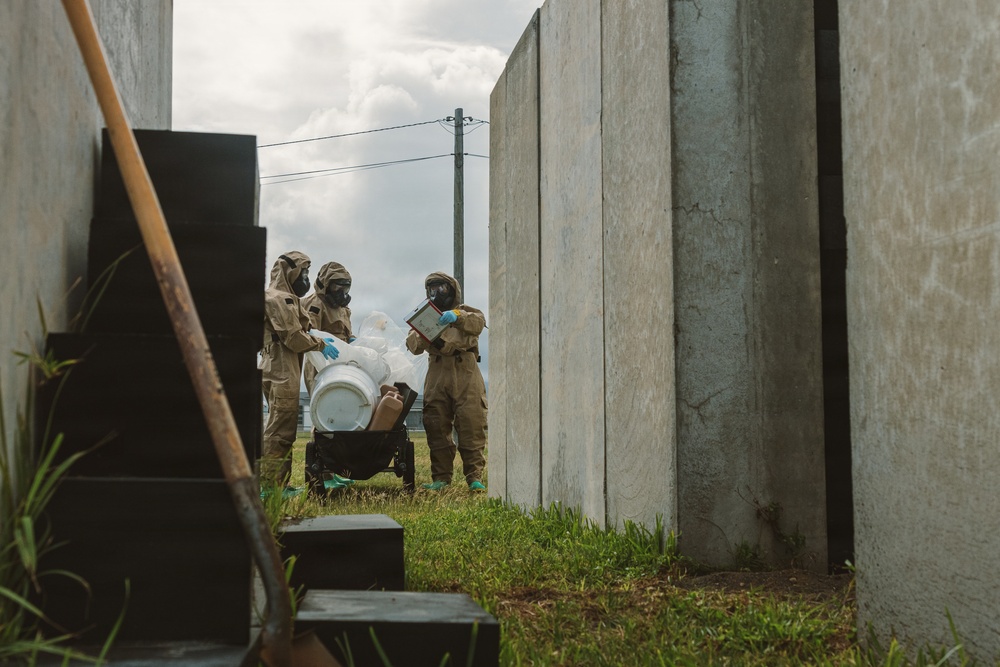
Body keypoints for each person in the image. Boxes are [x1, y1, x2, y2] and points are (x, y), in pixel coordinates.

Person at [259, 251, 339, 489]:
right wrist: (319, 344)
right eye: (303, 272)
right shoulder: (280, 299)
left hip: (278, 365)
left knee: (282, 426)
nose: (305, 278)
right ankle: (272, 486)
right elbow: (293, 338)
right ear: (289, 272)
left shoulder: (285, 298)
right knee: (280, 430)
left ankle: (278, 482)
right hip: (282, 368)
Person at [405, 271, 488, 492]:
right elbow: (412, 346)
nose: (437, 294)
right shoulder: (425, 316)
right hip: (437, 371)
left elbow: (478, 323)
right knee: (436, 423)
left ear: (452, 290)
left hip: (466, 371)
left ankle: (474, 477)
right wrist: (422, 331)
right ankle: (441, 478)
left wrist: (457, 317)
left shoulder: (467, 312)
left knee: (472, 422)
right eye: (432, 289)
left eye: (442, 288)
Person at [300, 261, 355, 395]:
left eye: (345, 289)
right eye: (338, 288)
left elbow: (346, 331)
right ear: (326, 285)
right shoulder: (315, 304)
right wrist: (322, 344)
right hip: (321, 359)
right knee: (324, 398)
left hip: (341, 359)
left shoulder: (342, 308)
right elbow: (309, 332)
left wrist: (352, 339)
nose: (342, 293)